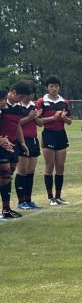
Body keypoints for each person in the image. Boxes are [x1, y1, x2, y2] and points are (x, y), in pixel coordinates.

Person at [36, 75, 72, 205]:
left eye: (56, 86)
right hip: (48, 134)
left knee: (60, 166)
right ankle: (50, 197)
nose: (54, 88)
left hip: (61, 135)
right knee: (49, 166)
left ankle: (58, 196)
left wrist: (64, 118)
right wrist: (53, 118)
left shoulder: (64, 102)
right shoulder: (41, 102)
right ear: (47, 87)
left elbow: (70, 122)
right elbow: (38, 122)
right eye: (51, 86)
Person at [15, 82, 43, 209]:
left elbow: (40, 123)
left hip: (33, 140)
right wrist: (30, 117)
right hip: (22, 140)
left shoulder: (33, 106)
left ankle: (28, 199)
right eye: (28, 94)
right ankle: (21, 202)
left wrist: (36, 116)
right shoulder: (17, 106)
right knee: (22, 171)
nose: (30, 96)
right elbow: (17, 123)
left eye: (32, 93)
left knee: (31, 171)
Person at [0, 89, 17, 221]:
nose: (4, 102)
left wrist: (5, 141)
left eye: (5, 99)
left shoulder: (2, 112)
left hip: (5, 146)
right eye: (2, 99)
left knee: (6, 177)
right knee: (4, 175)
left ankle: (6, 208)